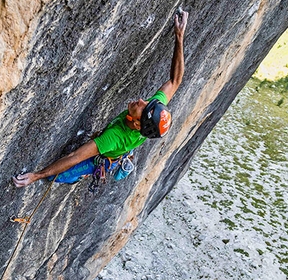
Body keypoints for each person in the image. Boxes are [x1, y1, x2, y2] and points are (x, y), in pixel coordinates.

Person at [13, 10, 188, 189]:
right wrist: (179, 37)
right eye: (147, 102)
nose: (142, 100)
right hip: (123, 143)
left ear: (137, 124)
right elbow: (176, 80)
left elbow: (74, 156)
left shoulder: (114, 137)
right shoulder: (150, 116)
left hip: (109, 153)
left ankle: (74, 177)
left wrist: (36, 175)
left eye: (143, 107)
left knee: (56, 176)